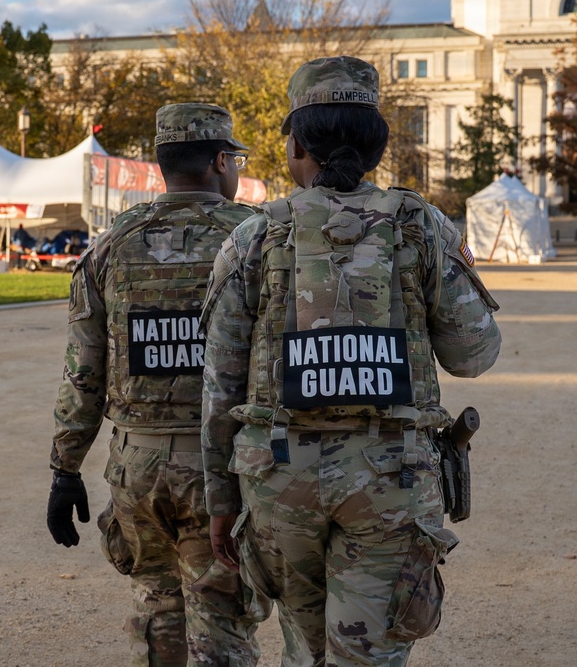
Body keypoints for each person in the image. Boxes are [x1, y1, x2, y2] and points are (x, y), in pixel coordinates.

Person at [200, 56, 502, 666]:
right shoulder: (422, 226)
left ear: (296, 144)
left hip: (279, 478)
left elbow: (220, 386)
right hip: (391, 480)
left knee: (304, 652)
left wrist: (220, 503)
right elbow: (473, 354)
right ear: (375, 142)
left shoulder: (254, 235)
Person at [48, 103, 265, 666]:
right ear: (221, 162)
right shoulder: (253, 239)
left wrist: (65, 469)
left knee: (157, 614)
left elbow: (84, 371)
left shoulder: (111, 243)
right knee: (222, 623)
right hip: (223, 468)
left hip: (136, 467)